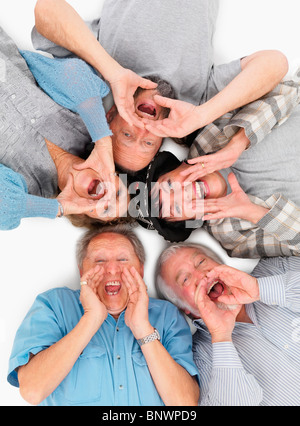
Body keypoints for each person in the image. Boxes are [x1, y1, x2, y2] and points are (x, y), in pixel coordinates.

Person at [32, 0, 288, 172]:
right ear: (162, 140)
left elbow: (46, 8)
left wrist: (112, 71)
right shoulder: (196, 99)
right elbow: (275, 62)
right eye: (148, 144)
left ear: (110, 117)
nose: (143, 132)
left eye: (127, 135)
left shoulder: (101, 70)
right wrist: (202, 114)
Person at [7, 225, 200, 406]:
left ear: (140, 270)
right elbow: (32, 390)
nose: (112, 269)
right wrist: (91, 319)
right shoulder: (54, 305)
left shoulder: (167, 316)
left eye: (123, 260)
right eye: (99, 261)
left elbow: (185, 403)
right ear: (82, 271)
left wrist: (142, 328)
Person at [129, 77, 300, 258]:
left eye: (170, 185)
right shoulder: (231, 236)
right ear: (190, 220)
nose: (184, 193)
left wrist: (239, 141)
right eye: (176, 209)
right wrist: (254, 213)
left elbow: (288, 91)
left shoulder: (209, 138)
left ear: (178, 166)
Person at [155, 242, 300, 406]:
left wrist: (259, 289)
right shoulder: (199, 357)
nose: (202, 275)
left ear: (220, 264)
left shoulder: (274, 269)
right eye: (186, 279)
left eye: (202, 262)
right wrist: (221, 337)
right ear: (183, 307)